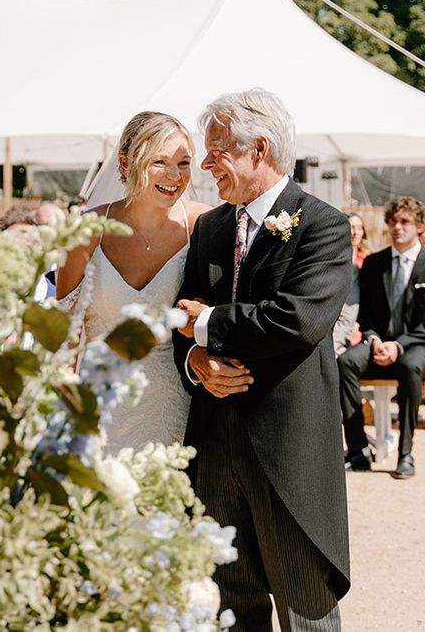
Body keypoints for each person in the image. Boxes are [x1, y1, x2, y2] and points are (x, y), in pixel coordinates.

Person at [174, 89, 352, 630]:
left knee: (305, 612)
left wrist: (205, 324)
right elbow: (179, 324)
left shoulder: (323, 225)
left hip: (288, 457)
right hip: (215, 450)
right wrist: (197, 363)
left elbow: (298, 320)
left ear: (260, 149)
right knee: (230, 606)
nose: (204, 165)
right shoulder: (209, 228)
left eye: (216, 151)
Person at [57, 111, 209, 452]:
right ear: (125, 165)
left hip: (177, 407)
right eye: (159, 162)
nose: (174, 176)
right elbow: (65, 335)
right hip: (100, 407)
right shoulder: (86, 231)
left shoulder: (203, 224)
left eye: (183, 163)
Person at [339, 196, 425, 478]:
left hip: (416, 345)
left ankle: (405, 454)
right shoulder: (374, 264)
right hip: (377, 342)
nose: (397, 227)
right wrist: (375, 339)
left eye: (405, 222)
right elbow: (366, 317)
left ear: (419, 225)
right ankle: (358, 450)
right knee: (346, 362)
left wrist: (397, 346)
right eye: (393, 221)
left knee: (409, 366)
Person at [332, 212, 368, 355]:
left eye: (359, 228)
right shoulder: (335, 259)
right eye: (351, 227)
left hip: (356, 320)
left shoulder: (368, 261)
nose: (355, 232)